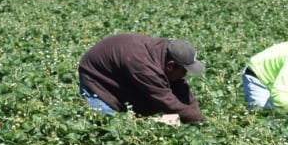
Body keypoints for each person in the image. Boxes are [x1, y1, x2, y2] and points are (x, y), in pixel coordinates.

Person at [76, 33, 206, 124]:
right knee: (110, 127)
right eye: (184, 71)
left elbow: (181, 87)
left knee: (147, 108)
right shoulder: (144, 67)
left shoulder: (164, 52)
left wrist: (196, 114)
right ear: (170, 65)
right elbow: (168, 102)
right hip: (95, 80)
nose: (185, 75)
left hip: (121, 73)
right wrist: (198, 121)